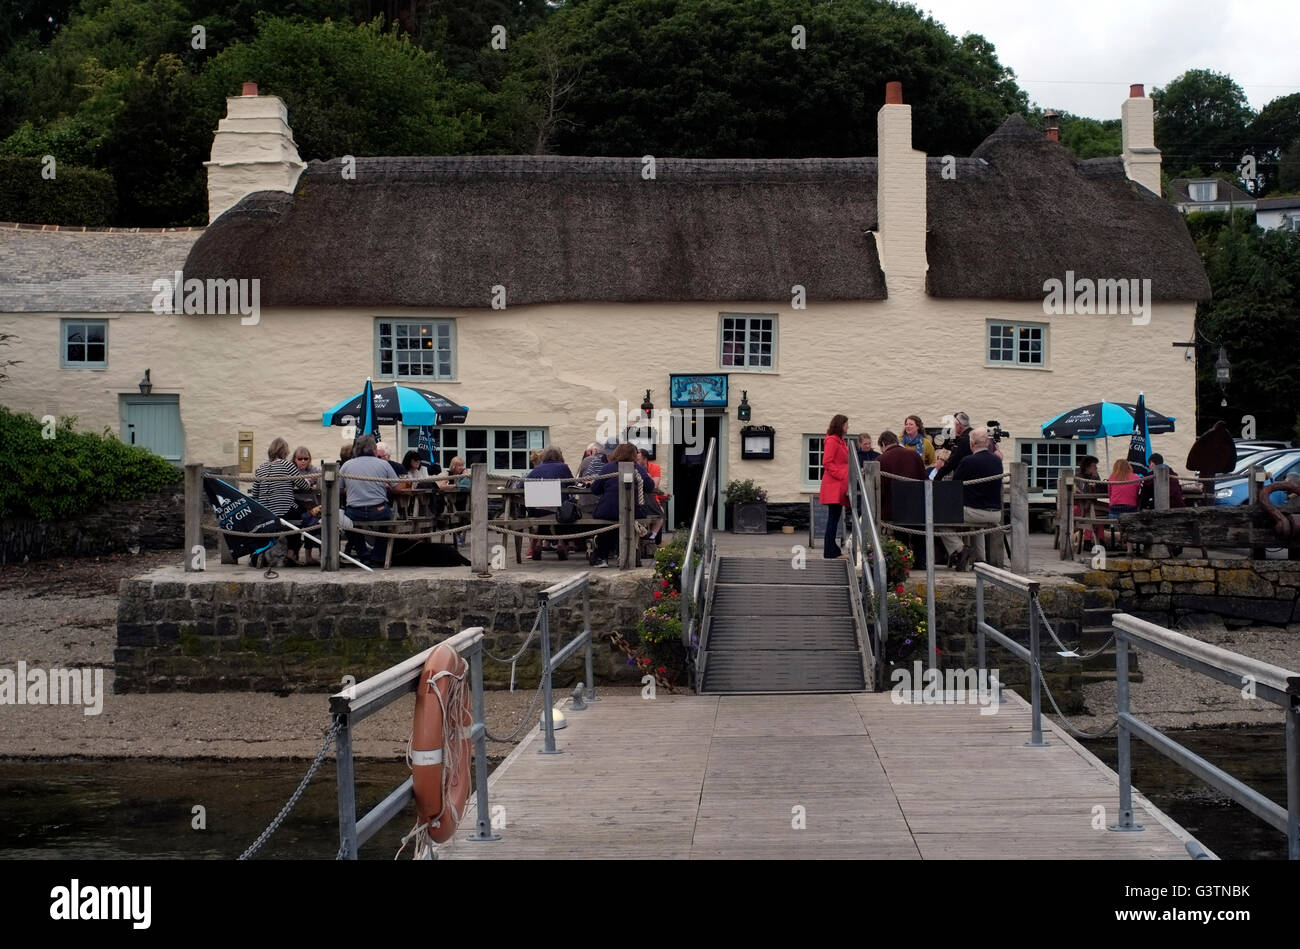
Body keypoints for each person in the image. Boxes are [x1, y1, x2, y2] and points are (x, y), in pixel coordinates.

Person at [588, 443, 656, 567]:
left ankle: (603, 558)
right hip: (633, 510)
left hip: (608, 510)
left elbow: (595, 489)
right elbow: (650, 487)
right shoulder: (638, 469)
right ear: (634, 455)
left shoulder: (608, 468)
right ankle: (623, 554)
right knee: (624, 521)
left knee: (607, 524)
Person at [946, 427, 1005, 569]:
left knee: (938, 520)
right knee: (977, 524)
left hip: (975, 511)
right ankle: (981, 559)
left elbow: (955, 485)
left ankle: (960, 549)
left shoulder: (968, 461)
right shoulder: (997, 461)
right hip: (995, 513)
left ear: (972, 444)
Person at [339, 434, 399, 567]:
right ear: (374, 449)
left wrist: (352, 486)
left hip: (354, 510)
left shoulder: (346, 465)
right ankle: (378, 557)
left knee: (346, 523)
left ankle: (363, 554)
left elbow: (339, 489)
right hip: (379, 510)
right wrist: (385, 486)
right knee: (388, 522)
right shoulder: (384, 464)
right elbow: (398, 488)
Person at [249, 437, 308, 568]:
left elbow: (255, 494)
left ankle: (263, 552)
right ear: (285, 452)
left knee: (296, 513)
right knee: (303, 515)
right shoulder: (287, 465)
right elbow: (304, 486)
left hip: (265, 513)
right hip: (283, 511)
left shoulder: (261, 468)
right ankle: (292, 553)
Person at [878, 429, 927, 569]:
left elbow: (880, 488)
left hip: (893, 508)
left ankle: (902, 562)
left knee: (900, 537)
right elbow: (924, 479)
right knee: (919, 535)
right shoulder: (914, 455)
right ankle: (920, 562)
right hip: (917, 506)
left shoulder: (881, 459)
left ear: (883, 444)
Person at [526, 447, 577, 560]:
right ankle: (560, 542)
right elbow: (572, 484)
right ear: (559, 456)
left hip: (539, 509)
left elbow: (523, 484)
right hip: (559, 510)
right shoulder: (563, 467)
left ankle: (539, 542)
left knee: (544, 515)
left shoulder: (538, 468)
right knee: (564, 513)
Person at [288, 446, 320, 565]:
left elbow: (318, 481)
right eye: (300, 459)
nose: (303, 461)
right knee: (295, 523)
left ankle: (308, 556)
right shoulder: (291, 470)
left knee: (311, 521)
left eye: (305, 459)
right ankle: (292, 554)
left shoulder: (313, 470)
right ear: (294, 459)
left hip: (310, 504)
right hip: (296, 504)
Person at [637, 448, 668, 544]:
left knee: (661, 513)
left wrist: (646, 476)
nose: (636, 461)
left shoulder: (655, 467)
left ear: (645, 459)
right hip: (637, 499)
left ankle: (652, 537)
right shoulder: (634, 468)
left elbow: (654, 486)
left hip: (651, 498)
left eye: (638, 459)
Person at [935, 412, 971, 480]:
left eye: (955, 425)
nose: (954, 428)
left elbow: (953, 460)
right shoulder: (973, 433)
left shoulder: (963, 440)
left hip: (964, 476)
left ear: (959, 425)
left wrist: (938, 477)